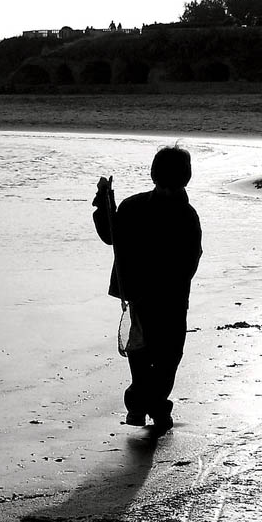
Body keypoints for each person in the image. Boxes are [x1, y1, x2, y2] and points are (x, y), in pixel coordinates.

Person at [92, 145, 202, 434]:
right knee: (167, 357)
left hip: (138, 296)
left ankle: (142, 406)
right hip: (170, 299)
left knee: (142, 356)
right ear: (186, 178)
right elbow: (192, 259)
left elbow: (110, 236)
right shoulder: (187, 215)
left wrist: (103, 205)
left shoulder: (133, 206)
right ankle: (152, 407)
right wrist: (104, 204)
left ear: (154, 173)